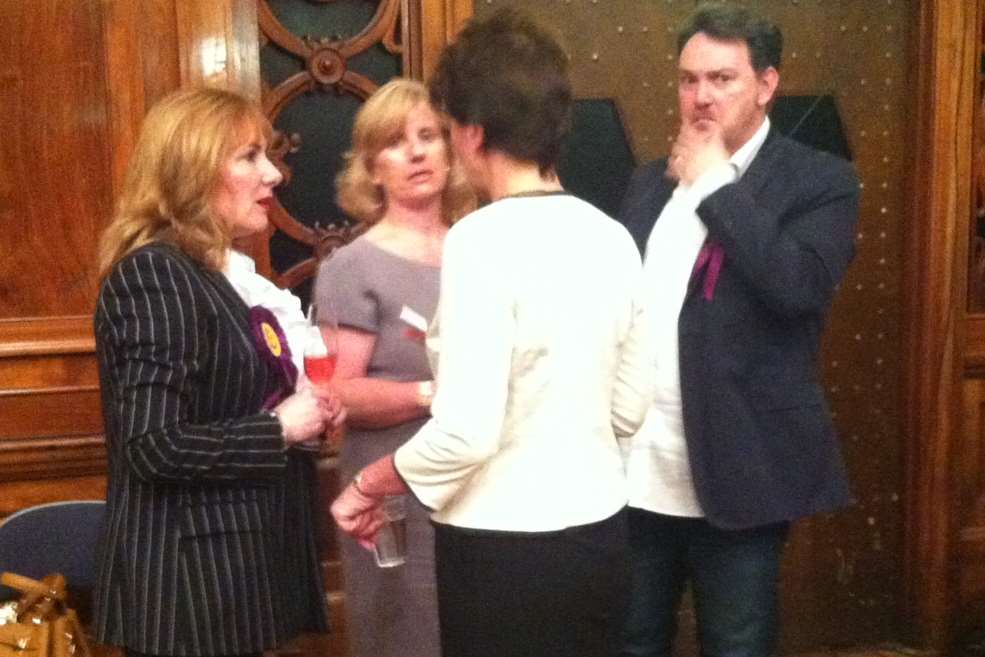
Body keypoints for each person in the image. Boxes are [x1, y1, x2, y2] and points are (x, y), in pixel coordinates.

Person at [329, 9, 653, 657]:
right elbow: (628, 405)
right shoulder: (611, 236)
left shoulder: (480, 239)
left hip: (503, 548)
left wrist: (369, 482)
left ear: (472, 134)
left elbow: (466, 431)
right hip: (599, 533)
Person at [617, 3, 860, 657]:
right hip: (636, 471)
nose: (699, 97)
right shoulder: (647, 183)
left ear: (766, 83)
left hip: (742, 470)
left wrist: (715, 185)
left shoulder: (819, 182)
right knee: (630, 639)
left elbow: (796, 286)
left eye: (721, 79)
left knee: (735, 643)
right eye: (687, 79)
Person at [92, 87, 345, 657]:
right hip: (189, 599)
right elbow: (152, 444)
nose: (274, 175)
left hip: (232, 584)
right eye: (249, 156)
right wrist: (280, 428)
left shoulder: (215, 275)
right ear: (193, 172)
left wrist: (306, 418)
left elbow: (228, 407)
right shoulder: (157, 274)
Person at [312, 78, 473, 657]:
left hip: (478, 483)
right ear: (372, 169)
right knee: (407, 637)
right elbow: (338, 395)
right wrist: (435, 393)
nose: (417, 152)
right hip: (390, 488)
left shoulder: (478, 248)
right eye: (396, 143)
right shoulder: (353, 266)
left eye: (429, 136)